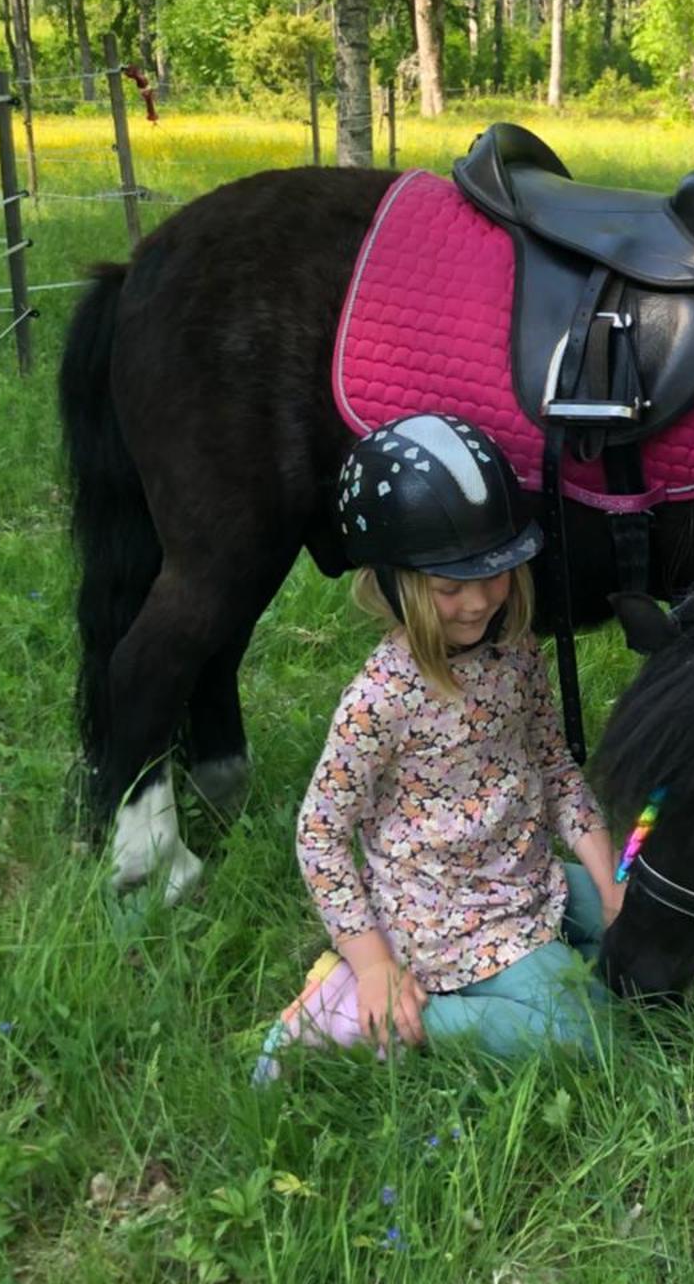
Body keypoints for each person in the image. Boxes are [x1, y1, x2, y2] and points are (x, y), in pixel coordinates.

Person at [254, 414, 621, 1079]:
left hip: (524, 877)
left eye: (498, 572)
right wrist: (374, 964)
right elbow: (320, 834)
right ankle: (349, 1021)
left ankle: (548, 946)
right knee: (590, 1034)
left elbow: (556, 768)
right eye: (450, 588)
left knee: (652, 933)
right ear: (394, 583)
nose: (479, 602)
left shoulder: (515, 650)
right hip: (443, 914)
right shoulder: (381, 698)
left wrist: (609, 879)